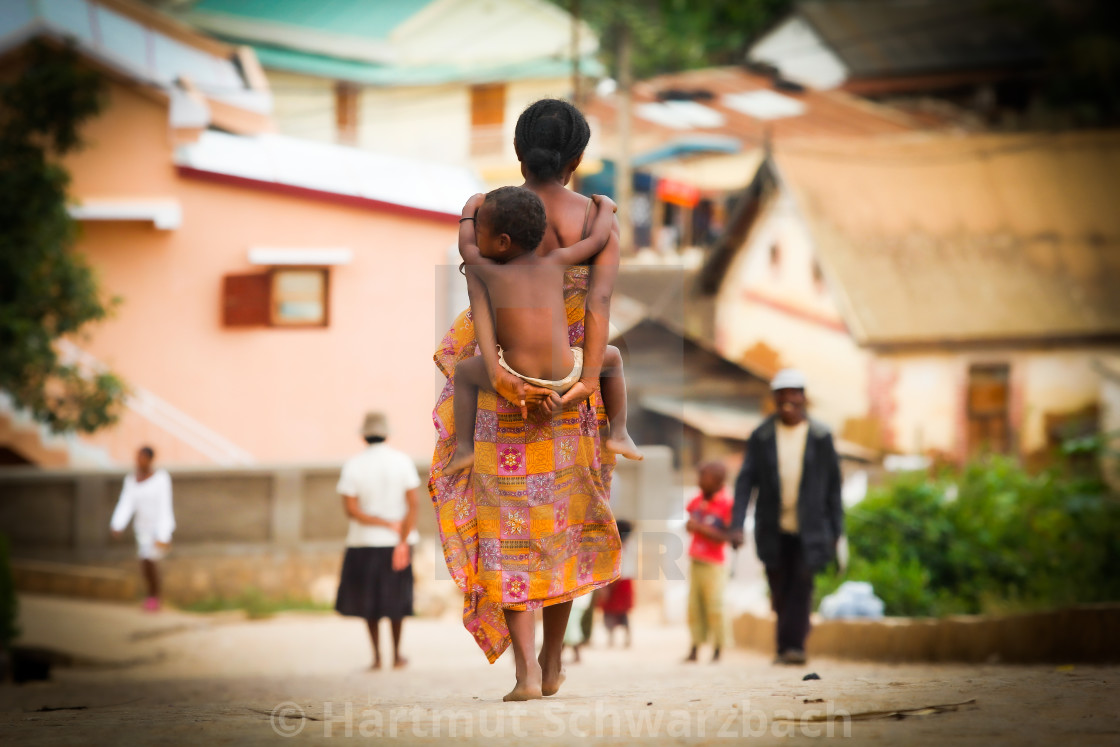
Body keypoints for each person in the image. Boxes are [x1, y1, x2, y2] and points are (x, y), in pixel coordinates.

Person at [430, 98, 623, 702]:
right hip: (571, 388)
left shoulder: (495, 215)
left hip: (500, 392)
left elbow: (474, 279)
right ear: (578, 159)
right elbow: (597, 308)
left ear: (519, 153)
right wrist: (588, 381)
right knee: (561, 529)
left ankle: (526, 673)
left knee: (509, 531)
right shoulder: (594, 220)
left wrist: (499, 375)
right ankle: (554, 659)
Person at [446, 187, 637, 472]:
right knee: (612, 357)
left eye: (481, 231)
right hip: (566, 373)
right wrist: (607, 206)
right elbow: (598, 239)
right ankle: (620, 431)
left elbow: (466, 246)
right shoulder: (556, 262)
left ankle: (464, 449)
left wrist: (469, 208)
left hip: (515, 373)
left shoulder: (490, 271)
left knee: (464, 373)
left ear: (502, 242)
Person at [728, 369, 844, 666]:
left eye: (794, 393)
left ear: (803, 397)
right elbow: (745, 482)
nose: (788, 399)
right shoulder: (762, 435)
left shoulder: (821, 436)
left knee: (802, 585)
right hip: (772, 526)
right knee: (779, 587)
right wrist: (737, 524)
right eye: (781, 394)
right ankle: (785, 646)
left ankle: (795, 647)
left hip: (812, 527)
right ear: (775, 399)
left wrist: (837, 532)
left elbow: (833, 487)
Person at [334, 411, 420, 670]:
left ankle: (376, 657)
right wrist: (402, 538)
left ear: (363, 436)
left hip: (363, 542)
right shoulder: (402, 462)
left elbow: (351, 510)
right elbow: (413, 505)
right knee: (396, 599)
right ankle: (397, 655)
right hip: (398, 542)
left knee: (368, 601)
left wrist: (382, 523)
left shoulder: (353, 465)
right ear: (387, 434)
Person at [110, 445, 175, 612]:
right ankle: (152, 596)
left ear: (150, 459)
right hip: (142, 529)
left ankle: (154, 597)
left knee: (149, 560)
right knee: (145, 562)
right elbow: (126, 503)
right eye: (137, 456)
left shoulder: (161, 478)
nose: (139, 460)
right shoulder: (131, 480)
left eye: (142, 457)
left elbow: (165, 506)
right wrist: (117, 524)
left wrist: (164, 533)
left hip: (158, 528)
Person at [684, 462, 732, 663]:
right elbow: (690, 525)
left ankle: (719, 649)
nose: (699, 481)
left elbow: (726, 536)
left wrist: (700, 528)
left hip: (714, 563)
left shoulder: (726, 504)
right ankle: (695, 648)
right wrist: (691, 526)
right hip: (696, 559)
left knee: (715, 606)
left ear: (717, 481)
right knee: (694, 606)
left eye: (704, 477)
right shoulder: (696, 501)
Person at [599, 519, 635, 648]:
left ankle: (612, 637)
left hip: (617, 581)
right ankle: (626, 637)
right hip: (626, 581)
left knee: (611, 611)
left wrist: (607, 587)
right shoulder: (630, 545)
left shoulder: (615, 546)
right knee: (622, 612)